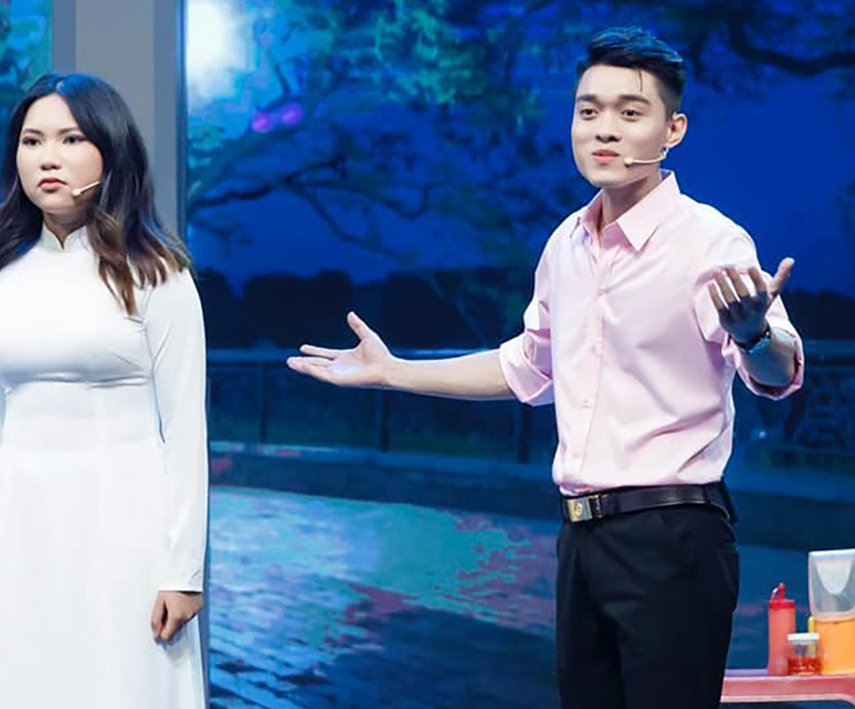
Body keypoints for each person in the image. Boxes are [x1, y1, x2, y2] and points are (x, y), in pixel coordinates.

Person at [287, 27, 804, 709]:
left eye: (630, 112)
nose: (605, 129)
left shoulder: (709, 239)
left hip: (672, 534)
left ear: (673, 130)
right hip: (580, 535)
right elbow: (526, 368)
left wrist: (753, 331)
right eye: (589, 111)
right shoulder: (565, 245)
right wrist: (393, 372)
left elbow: (778, 371)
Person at [0, 73, 207, 709]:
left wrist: (184, 570)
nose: (49, 157)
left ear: (110, 150)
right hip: (16, 521)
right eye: (32, 141)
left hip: (125, 522)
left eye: (70, 139)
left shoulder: (157, 270)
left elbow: (185, 426)